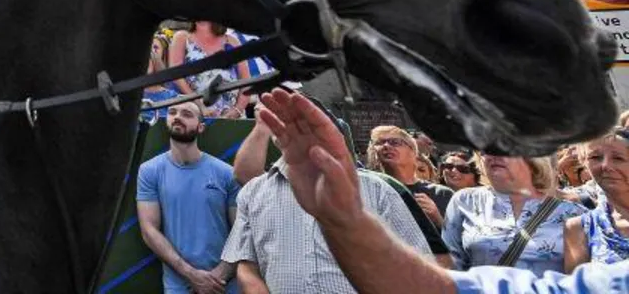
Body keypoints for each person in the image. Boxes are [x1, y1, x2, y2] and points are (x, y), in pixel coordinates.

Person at [252, 88, 629, 294]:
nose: (489, 153)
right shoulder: (466, 202)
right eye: (485, 145)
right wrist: (342, 219)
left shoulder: (570, 213)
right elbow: (445, 279)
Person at [224, 103, 435, 293]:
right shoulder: (253, 192)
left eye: (303, 120)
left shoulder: (377, 189)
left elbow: (417, 261)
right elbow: (246, 266)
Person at [136, 101, 239, 294]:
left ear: (200, 127)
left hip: (224, 286)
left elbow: (242, 230)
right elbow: (149, 230)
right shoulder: (149, 171)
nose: (177, 117)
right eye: (172, 112)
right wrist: (191, 274)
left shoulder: (226, 173)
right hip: (179, 286)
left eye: (187, 114)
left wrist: (220, 275)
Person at [444, 153, 583, 274]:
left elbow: (580, 282)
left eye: (505, 146)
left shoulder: (574, 214)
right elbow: (450, 270)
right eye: (488, 148)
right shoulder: (464, 201)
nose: (494, 156)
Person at [563, 129, 629, 269]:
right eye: (595, 158)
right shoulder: (580, 228)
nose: (605, 165)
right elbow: (577, 287)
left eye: (618, 158)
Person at [369, 125, 455, 228]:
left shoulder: (442, 194)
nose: (386, 146)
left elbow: (456, 240)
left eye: (395, 142)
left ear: (413, 152)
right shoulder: (370, 191)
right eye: (379, 143)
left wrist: (437, 219)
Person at [169, 22, 250, 118]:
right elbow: (176, 75)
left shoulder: (232, 42)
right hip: (193, 116)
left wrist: (237, 110)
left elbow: (246, 81)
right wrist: (200, 106)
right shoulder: (182, 37)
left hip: (231, 117)